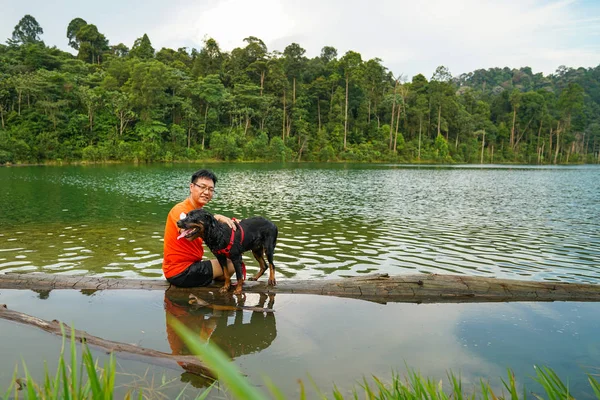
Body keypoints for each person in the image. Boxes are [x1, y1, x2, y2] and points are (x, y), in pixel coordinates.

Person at [162, 169, 236, 287]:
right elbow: (188, 235)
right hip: (180, 271)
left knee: (226, 261)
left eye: (210, 189)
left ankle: (206, 282)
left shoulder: (199, 213)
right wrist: (216, 217)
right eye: (202, 187)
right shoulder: (181, 210)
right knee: (231, 265)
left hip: (190, 266)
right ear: (191, 187)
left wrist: (232, 224)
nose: (206, 192)